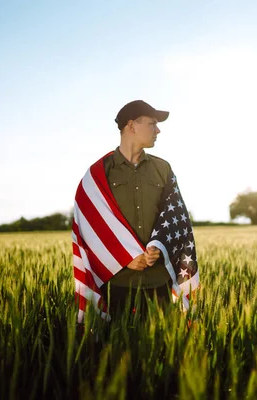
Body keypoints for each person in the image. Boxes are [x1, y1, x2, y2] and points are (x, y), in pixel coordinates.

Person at [72, 100, 199, 323]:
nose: (158, 130)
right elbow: (88, 228)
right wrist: (124, 257)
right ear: (132, 126)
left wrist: (161, 247)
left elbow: (178, 220)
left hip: (159, 282)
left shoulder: (163, 169)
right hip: (118, 284)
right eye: (152, 123)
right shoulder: (98, 174)